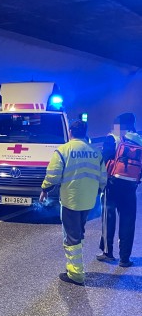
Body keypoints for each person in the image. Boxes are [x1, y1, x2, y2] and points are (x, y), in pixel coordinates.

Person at [39, 119, 106, 285]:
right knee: (79, 232)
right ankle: (76, 266)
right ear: (85, 132)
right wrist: (99, 191)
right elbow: (103, 178)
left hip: (70, 200)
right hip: (89, 200)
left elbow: (53, 175)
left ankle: (75, 274)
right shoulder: (96, 152)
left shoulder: (63, 150)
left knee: (71, 236)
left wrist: (45, 189)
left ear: (70, 132)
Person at [97, 112, 142, 267]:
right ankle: (125, 258)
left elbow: (103, 158)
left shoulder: (113, 138)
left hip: (112, 184)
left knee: (108, 218)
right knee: (128, 220)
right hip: (131, 186)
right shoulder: (139, 139)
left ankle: (108, 253)